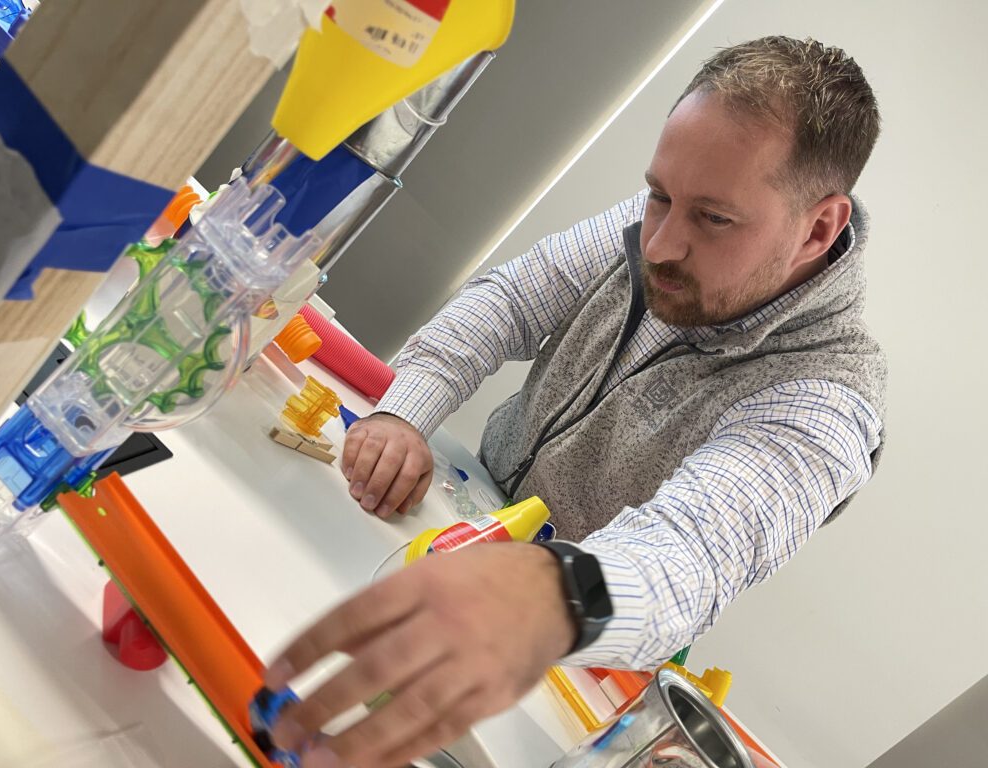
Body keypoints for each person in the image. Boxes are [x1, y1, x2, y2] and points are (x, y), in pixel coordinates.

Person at [264, 36, 887, 767]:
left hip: (572, 652)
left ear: (819, 227)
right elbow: (512, 300)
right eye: (659, 195)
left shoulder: (830, 402)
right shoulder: (667, 220)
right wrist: (408, 408)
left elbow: (693, 553)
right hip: (464, 526)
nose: (658, 245)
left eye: (714, 219)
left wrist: (556, 596)